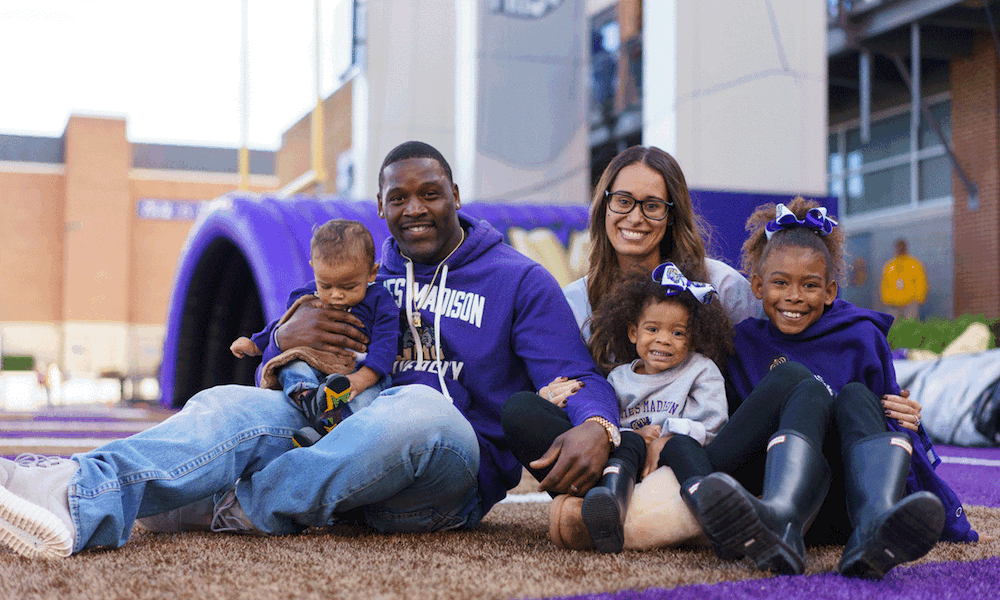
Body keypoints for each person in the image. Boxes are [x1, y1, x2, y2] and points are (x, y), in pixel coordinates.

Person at [0, 141, 620, 559]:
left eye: (429, 193)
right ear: (380, 207)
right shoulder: (363, 273)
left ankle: (226, 503)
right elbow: (293, 357)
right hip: (339, 434)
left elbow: (574, 373)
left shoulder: (516, 279)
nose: (415, 209)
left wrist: (598, 425)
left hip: (444, 477)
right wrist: (286, 340)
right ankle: (76, 493)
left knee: (418, 410)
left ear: (455, 194)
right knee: (225, 402)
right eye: (398, 198)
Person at [659, 198, 977, 579]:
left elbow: (885, 422)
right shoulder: (741, 345)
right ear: (757, 286)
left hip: (843, 503)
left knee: (858, 396)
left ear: (829, 292)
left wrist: (908, 426)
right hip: (768, 493)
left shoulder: (860, 337)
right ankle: (779, 518)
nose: (793, 296)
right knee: (798, 384)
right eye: (780, 283)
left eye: (809, 285)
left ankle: (874, 525)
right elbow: (732, 427)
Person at [541, 262, 732, 553]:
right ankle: (611, 507)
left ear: (692, 337)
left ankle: (714, 514)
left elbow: (714, 424)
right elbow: (608, 425)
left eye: (678, 333)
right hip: (635, 469)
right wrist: (637, 437)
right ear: (633, 333)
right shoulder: (619, 378)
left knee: (680, 445)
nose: (663, 340)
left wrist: (666, 436)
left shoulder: (700, 370)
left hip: (679, 466)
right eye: (652, 329)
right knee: (625, 438)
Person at [229, 219, 397, 446]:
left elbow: (386, 344)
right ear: (314, 269)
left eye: (349, 287)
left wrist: (363, 378)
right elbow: (286, 322)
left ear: (371, 273)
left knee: (365, 401)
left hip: (356, 372)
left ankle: (326, 429)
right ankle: (309, 399)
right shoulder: (307, 296)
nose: (336, 295)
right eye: (326, 286)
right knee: (291, 364)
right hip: (317, 364)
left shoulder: (380, 301)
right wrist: (255, 343)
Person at [879, 238, 928, 320]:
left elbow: (921, 282)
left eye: (902, 247)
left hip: (910, 304)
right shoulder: (889, 265)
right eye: (898, 247)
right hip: (893, 305)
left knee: (910, 328)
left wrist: (919, 299)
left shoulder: (915, 264)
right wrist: (885, 300)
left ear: (906, 248)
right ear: (895, 248)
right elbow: (884, 284)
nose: (900, 249)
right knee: (893, 328)